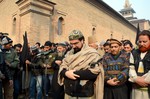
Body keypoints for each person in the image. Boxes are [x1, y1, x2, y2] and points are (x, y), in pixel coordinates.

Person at [58, 30, 104, 99]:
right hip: (69, 92)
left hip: (85, 93)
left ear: (82, 40)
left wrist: (73, 73)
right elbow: (62, 67)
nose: (73, 46)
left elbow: (93, 72)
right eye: (71, 44)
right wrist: (66, 73)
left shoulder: (92, 53)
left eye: (76, 43)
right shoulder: (69, 54)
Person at [129, 30, 150, 99]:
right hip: (135, 88)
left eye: (144, 42)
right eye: (140, 41)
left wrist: (145, 80)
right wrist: (135, 79)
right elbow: (131, 67)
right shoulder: (134, 53)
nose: (141, 44)